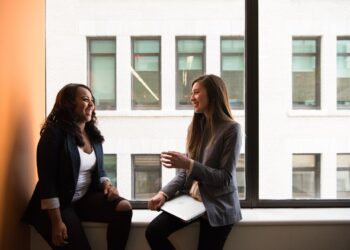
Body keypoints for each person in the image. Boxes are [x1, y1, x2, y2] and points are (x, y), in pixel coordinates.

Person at [22, 84, 132, 250]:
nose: (91, 104)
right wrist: (57, 222)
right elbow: (47, 182)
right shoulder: (53, 133)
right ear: (68, 103)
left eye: (92, 101)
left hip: (81, 199)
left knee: (124, 207)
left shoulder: (93, 135)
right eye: (85, 99)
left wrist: (107, 185)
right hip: (58, 206)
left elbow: (99, 170)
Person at [145, 74, 242, 250]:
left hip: (218, 205)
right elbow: (185, 173)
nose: (191, 98)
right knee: (153, 232)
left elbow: (225, 177)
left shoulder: (232, 129)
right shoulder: (196, 127)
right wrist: (163, 194)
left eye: (196, 92)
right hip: (193, 201)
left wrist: (188, 164)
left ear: (213, 94)